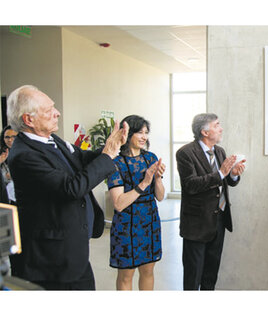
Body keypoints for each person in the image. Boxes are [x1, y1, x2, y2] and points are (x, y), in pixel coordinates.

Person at [6, 85, 128, 290]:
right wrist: (107, 155)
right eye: (49, 110)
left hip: (73, 252)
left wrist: (113, 147)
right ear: (29, 120)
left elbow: (82, 158)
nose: (57, 113)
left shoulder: (51, 139)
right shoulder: (24, 155)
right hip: (50, 261)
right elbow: (71, 188)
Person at [176, 113, 245, 290]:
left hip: (218, 220)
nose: (221, 128)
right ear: (204, 132)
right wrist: (221, 173)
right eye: (217, 125)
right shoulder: (185, 153)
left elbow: (225, 181)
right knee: (193, 277)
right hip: (196, 224)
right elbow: (191, 185)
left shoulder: (220, 151)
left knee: (210, 274)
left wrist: (233, 175)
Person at [107, 115, 165, 290]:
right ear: (127, 134)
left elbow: (160, 197)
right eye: (139, 132)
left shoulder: (151, 158)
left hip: (149, 222)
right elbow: (118, 204)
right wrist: (145, 182)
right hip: (125, 225)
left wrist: (158, 178)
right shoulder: (115, 163)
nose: (144, 137)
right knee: (126, 275)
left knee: (148, 271)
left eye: (146, 133)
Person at [0, 125, 18, 204]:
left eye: (13, 136)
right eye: (7, 137)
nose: (10, 140)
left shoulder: (26, 152)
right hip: (5, 194)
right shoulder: (2, 153)